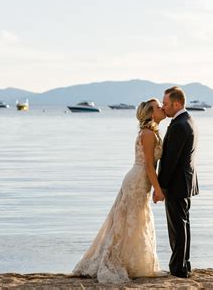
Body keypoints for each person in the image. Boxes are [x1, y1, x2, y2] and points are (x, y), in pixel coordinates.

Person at [72, 98, 167, 283]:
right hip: (137, 181)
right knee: (131, 222)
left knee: (132, 222)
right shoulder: (148, 134)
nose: (162, 108)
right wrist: (158, 190)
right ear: (150, 113)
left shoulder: (149, 132)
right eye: (157, 107)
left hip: (139, 180)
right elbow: (149, 166)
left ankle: (133, 263)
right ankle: (122, 263)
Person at [158, 86, 199, 278]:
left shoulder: (179, 125)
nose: (163, 107)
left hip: (176, 183)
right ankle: (184, 264)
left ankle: (178, 268)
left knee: (177, 227)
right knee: (183, 224)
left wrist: (161, 186)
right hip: (185, 182)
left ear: (177, 103)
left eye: (165, 104)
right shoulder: (188, 121)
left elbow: (170, 161)